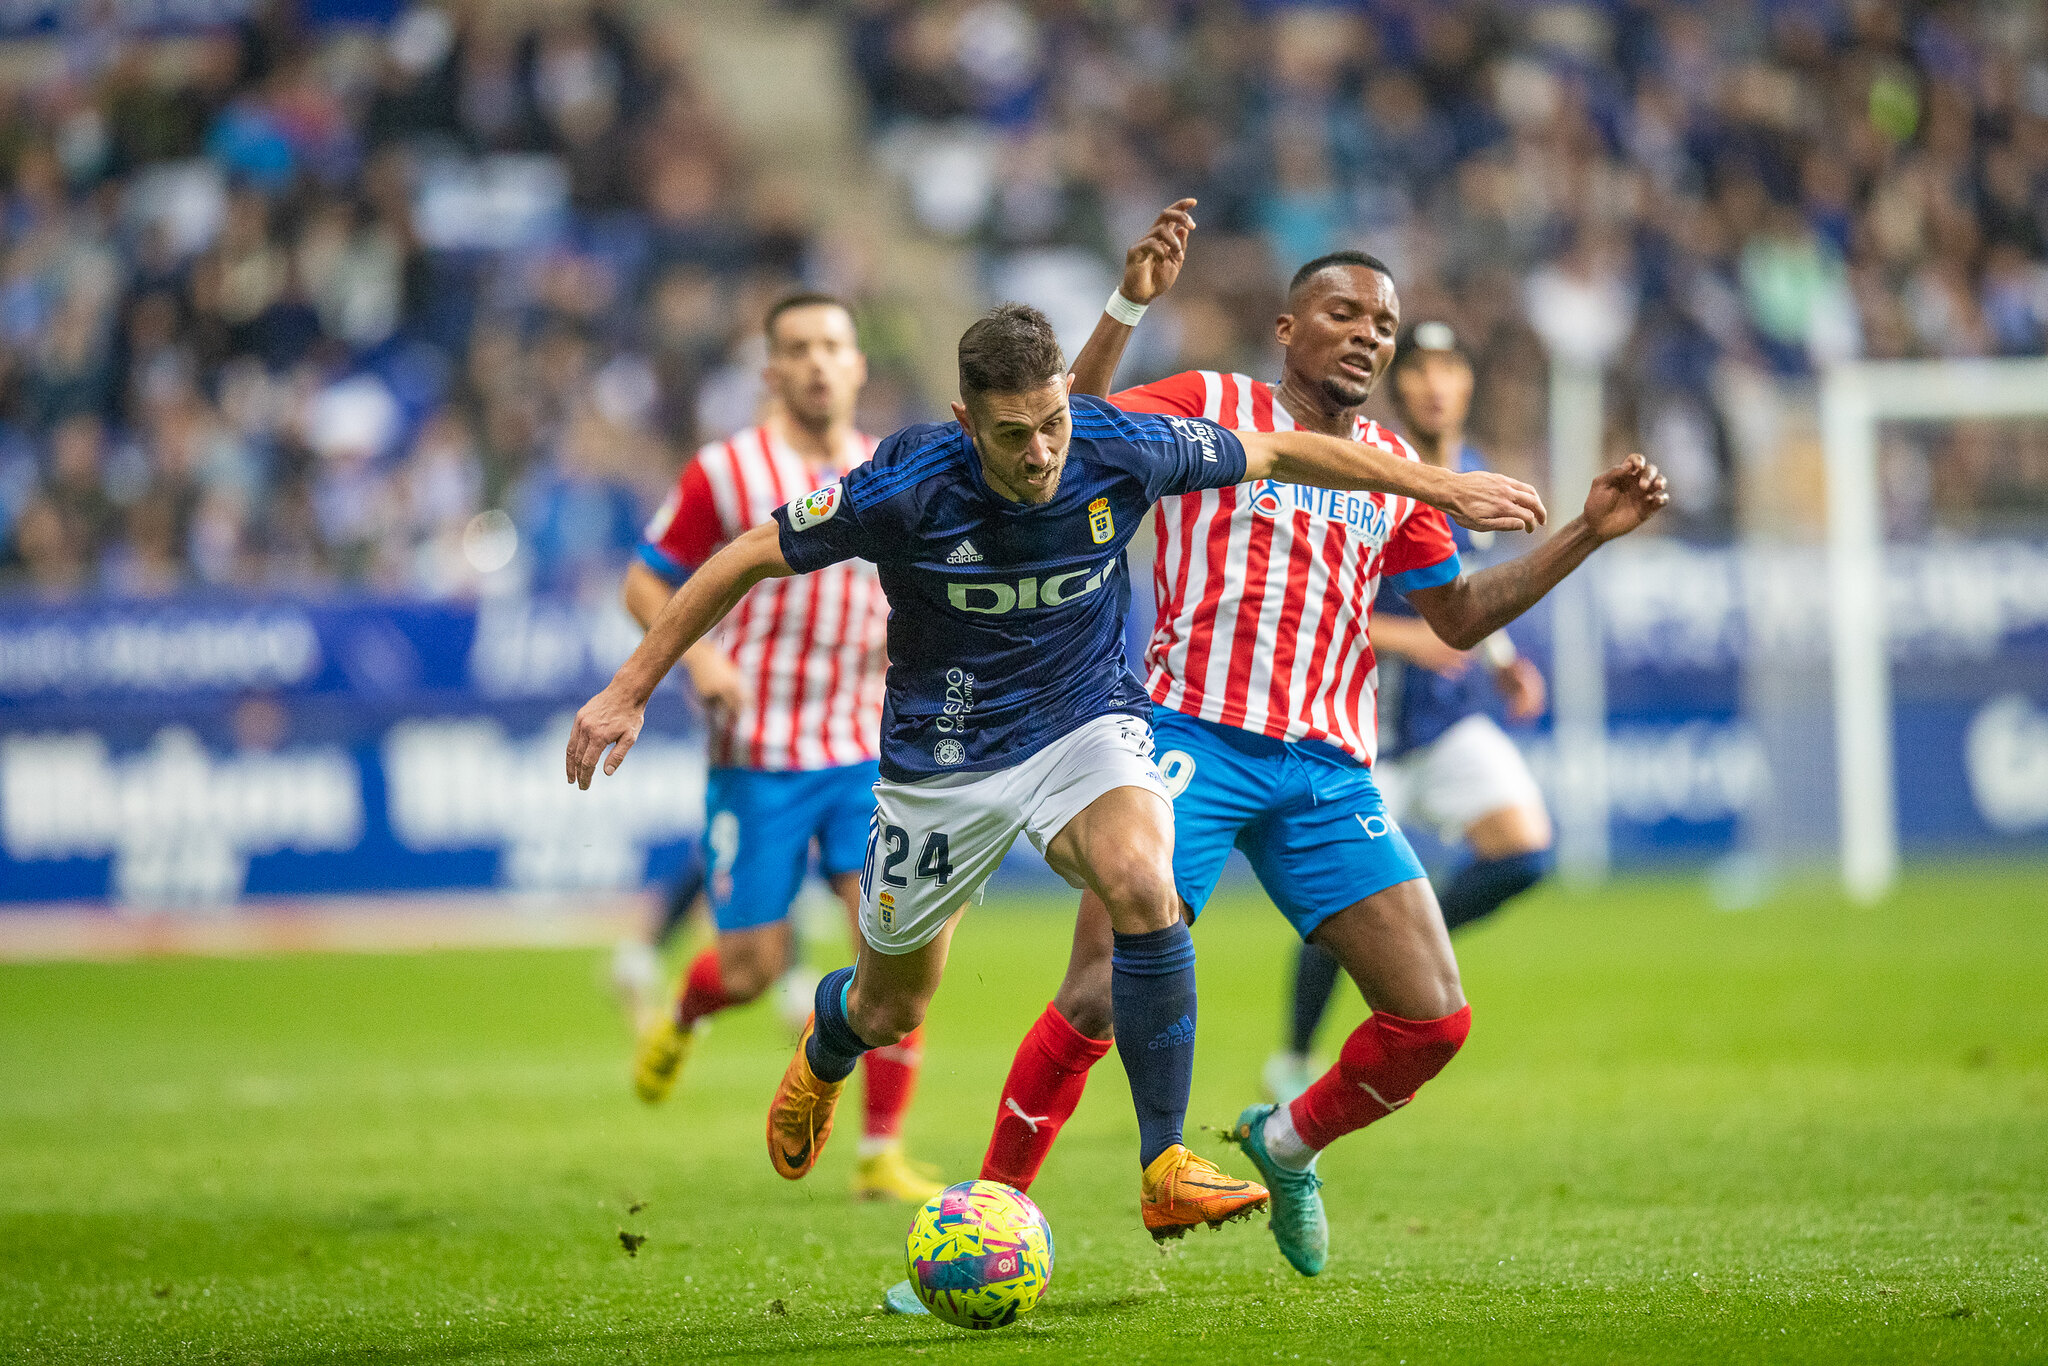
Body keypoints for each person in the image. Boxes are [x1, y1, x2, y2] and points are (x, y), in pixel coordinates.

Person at [566, 298, 1550, 1241]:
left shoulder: (1115, 446)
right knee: (891, 1004)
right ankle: (828, 1042)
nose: (1040, 455)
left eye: (1050, 426)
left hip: (1085, 726)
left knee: (1141, 879)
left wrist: (1438, 485)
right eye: (1012, 436)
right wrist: (629, 688)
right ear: (965, 421)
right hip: (942, 762)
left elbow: (1284, 448)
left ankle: (1163, 1164)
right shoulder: (904, 483)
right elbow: (742, 554)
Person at [882, 208, 1663, 1304]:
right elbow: (1078, 428)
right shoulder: (1210, 405)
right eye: (1343, 313)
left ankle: (1286, 1139)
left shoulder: (1388, 463)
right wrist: (1129, 303)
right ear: (1288, 328)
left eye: (1383, 323)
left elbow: (1454, 617)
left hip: (1326, 769)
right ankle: (983, 1223)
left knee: (1432, 1020)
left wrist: (1579, 531)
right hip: (1188, 738)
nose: (1368, 335)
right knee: (1099, 991)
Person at [622, 293, 940, 1205]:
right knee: (756, 967)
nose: (816, 363)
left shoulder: (887, 468)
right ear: (770, 369)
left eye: (832, 346)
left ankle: (880, 1152)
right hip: (758, 749)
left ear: (858, 364)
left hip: (868, 749)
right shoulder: (727, 471)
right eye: (796, 348)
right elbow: (644, 583)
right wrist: (704, 659)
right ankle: (685, 1012)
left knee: (894, 942)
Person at [1264, 319, 1556, 1105]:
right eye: (1418, 369)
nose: (1432, 383)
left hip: (1446, 721)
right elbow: (1311, 601)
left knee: (1525, 851)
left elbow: (1465, 595)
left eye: (1447, 366)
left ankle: (1404, 942)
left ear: (1467, 382)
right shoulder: (1366, 464)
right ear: (1398, 384)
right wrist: (1413, 640)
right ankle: (1293, 1056)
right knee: (1344, 897)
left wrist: (1503, 664)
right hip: (1359, 725)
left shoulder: (1479, 475)